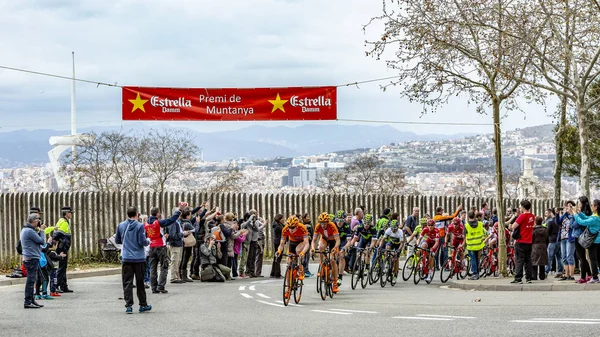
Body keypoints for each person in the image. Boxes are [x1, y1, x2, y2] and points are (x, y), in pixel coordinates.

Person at [115, 206, 152, 314]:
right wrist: (148, 241)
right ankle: (143, 304)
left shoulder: (121, 225)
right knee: (140, 282)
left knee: (127, 282)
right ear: (137, 214)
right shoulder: (140, 226)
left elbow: (117, 240)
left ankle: (129, 306)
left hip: (126, 257)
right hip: (139, 258)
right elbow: (142, 241)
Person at [21, 214, 46, 309]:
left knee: (32, 280)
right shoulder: (29, 231)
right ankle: (27, 301)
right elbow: (41, 241)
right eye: (37, 222)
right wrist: (42, 230)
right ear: (34, 221)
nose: (38, 224)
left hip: (29, 257)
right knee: (31, 281)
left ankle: (31, 300)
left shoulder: (26, 230)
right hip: (31, 258)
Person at [311, 213, 340, 293]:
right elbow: (314, 240)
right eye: (321, 223)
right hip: (324, 239)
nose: (323, 225)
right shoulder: (318, 226)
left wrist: (335, 248)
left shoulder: (332, 226)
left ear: (327, 222)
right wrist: (313, 248)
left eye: (325, 223)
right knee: (320, 247)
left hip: (333, 241)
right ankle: (321, 264)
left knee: (332, 260)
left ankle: (335, 282)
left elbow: (338, 240)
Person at [573, 198, 600, 284]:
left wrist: (575, 214)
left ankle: (595, 277)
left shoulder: (595, 218)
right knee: (598, 259)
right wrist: (579, 213)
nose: (591, 206)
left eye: (592, 205)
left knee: (593, 259)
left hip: (593, 241)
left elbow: (582, 222)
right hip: (597, 240)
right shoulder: (595, 216)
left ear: (596, 207)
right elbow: (587, 217)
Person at [276, 216, 310, 281]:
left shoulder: (302, 227)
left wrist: (303, 253)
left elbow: (307, 243)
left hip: (301, 242)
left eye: (293, 228)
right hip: (292, 243)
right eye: (289, 227)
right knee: (288, 263)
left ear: (297, 226)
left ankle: (300, 268)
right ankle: (288, 288)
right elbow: (281, 244)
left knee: (298, 250)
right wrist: (279, 251)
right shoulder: (285, 229)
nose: (291, 229)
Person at [510, 200, 535, 284]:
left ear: (523, 207)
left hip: (521, 240)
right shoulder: (532, 216)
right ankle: (529, 277)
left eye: (521, 206)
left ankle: (518, 278)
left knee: (520, 260)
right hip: (529, 240)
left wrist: (514, 218)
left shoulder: (522, 216)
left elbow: (513, 226)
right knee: (528, 259)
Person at [53, 206, 74, 293]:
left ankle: (63, 286)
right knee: (61, 267)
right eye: (70, 212)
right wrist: (62, 246)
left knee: (63, 267)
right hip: (62, 248)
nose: (71, 214)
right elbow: (57, 235)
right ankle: (57, 285)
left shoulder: (64, 221)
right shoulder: (64, 222)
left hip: (63, 247)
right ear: (66, 213)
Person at [465, 211, 486, 280]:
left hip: (471, 246)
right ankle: (477, 273)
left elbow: (464, 236)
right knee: (477, 259)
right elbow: (485, 233)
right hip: (479, 245)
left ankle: (475, 274)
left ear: (468, 217)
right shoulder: (480, 224)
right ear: (474, 216)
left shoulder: (466, 225)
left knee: (473, 259)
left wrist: (463, 245)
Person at [531, 216, 549, 281]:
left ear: (535, 221)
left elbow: (531, 238)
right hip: (543, 245)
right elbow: (547, 239)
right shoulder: (545, 229)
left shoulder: (533, 230)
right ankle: (542, 276)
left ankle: (534, 275)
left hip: (535, 246)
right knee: (542, 262)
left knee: (534, 262)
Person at [269, 214, 284, 278]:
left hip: (277, 242)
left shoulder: (278, 225)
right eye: (282, 219)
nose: (283, 220)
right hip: (279, 243)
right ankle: (277, 273)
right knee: (278, 258)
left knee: (276, 258)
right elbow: (284, 231)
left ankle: (273, 272)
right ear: (279, 219)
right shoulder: (278, 226)